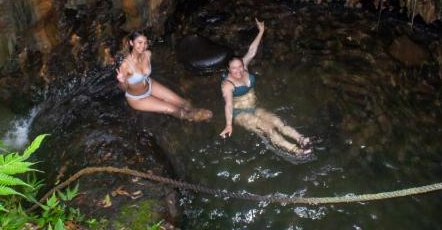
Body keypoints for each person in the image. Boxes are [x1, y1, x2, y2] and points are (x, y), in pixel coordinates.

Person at [219, 19, 311, 156]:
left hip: (254, 107)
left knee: (278, 122)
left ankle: (301, 139)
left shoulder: (243, 67)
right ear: (228, 69)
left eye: (240, 67)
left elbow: (251, 51)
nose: (238, 71)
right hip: (240, 114)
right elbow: (228, 105)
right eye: (234, 69)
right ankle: (295, 150)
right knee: (268, 128)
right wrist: (228, 124)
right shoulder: (227, 85)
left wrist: (261, 31)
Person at [116, 31, 212, 121]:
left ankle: (194, 110)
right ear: (132, 43)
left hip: (150, 84)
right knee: (172, 109)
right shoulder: (125, 65)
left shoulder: (147, 54)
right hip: (137, 98)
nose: (143, 46)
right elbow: (123, 89)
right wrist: (121, 81)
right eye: (139, 42)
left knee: (183, 102)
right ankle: (190, 117)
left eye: (145, 43)